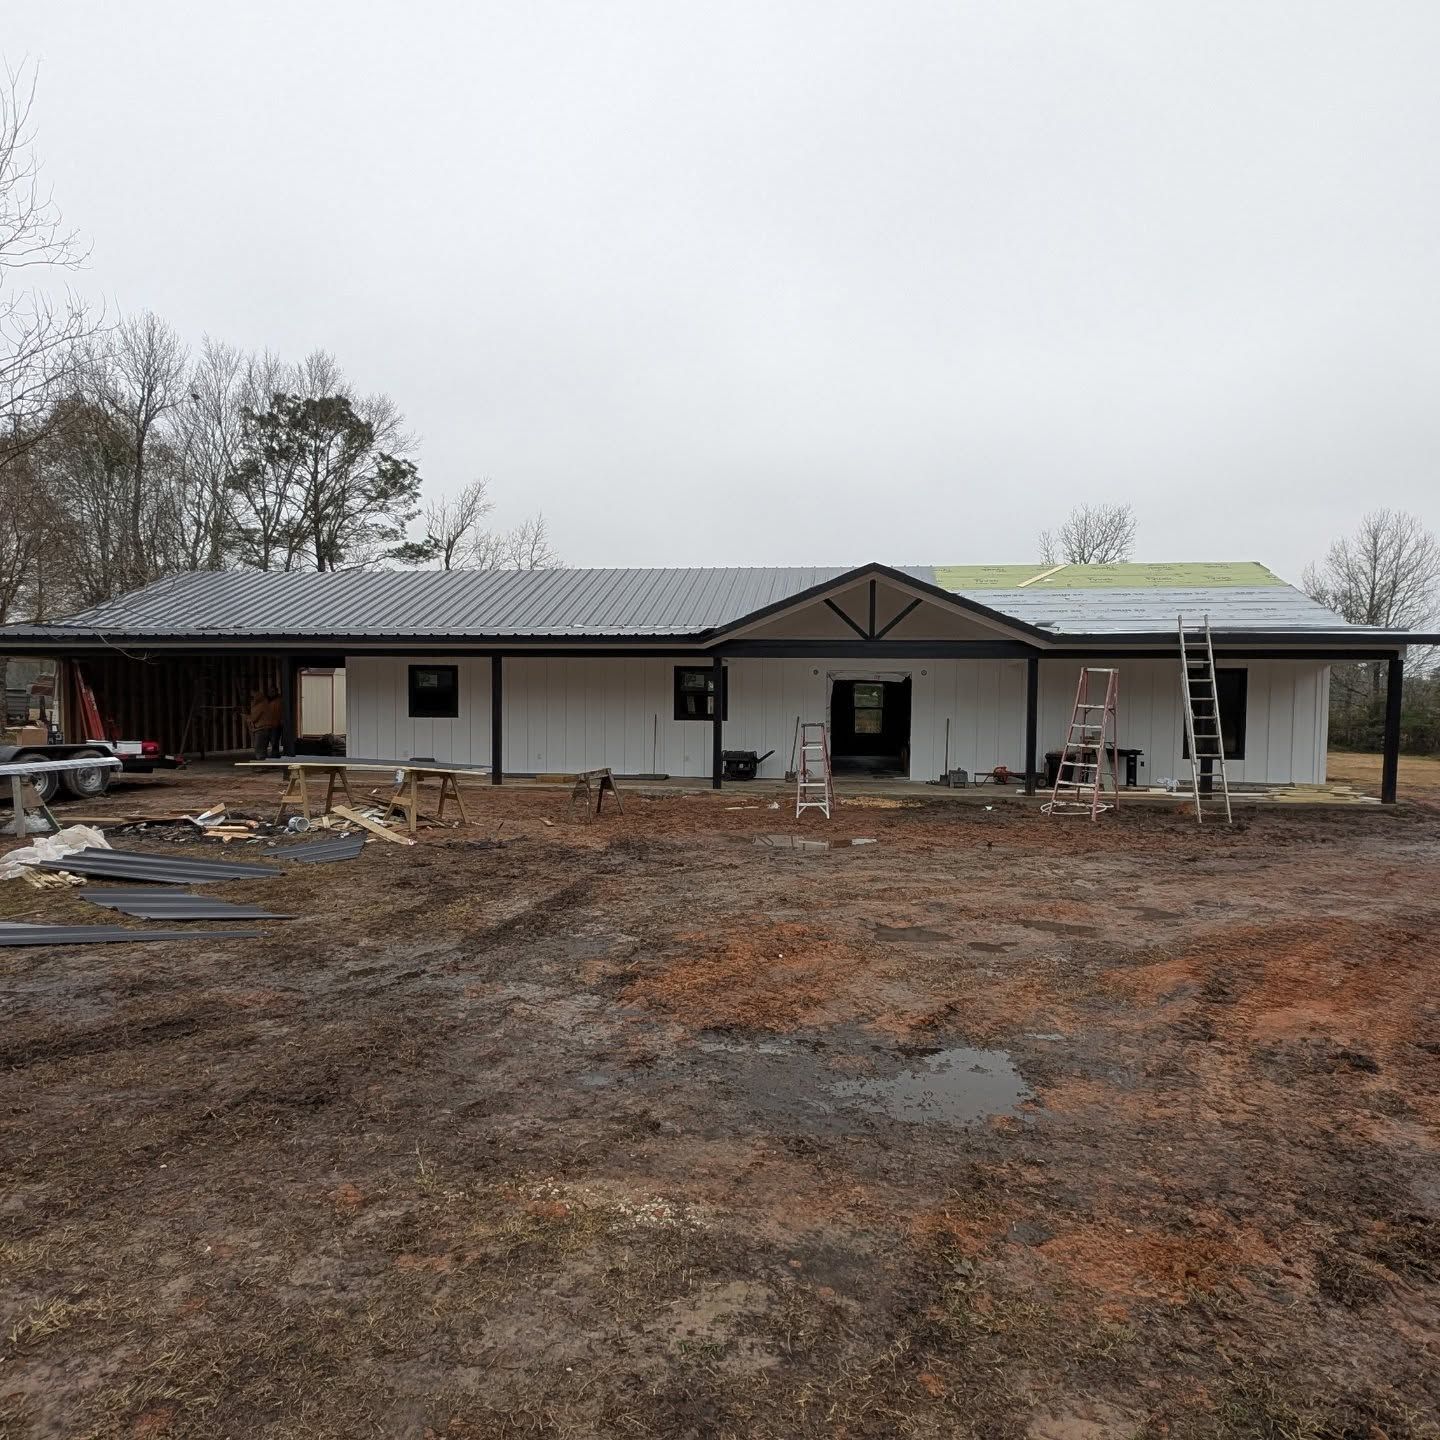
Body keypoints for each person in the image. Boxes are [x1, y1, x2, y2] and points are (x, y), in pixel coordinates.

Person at [249, 686, 285, 760]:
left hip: (275, 725)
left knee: (274, 744)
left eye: (272, 691)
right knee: (264, 744)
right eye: (269, 691)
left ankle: (274, 759)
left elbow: (282, 713)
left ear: (276, 691)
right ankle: (266, 759)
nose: (270, 693)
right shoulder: (266, 701)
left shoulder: (280, 701)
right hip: (267, 726)